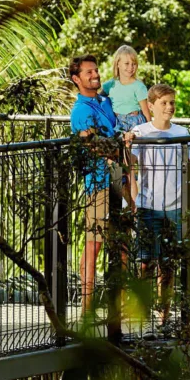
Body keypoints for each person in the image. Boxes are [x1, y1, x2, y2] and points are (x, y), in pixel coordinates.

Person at [68, 54, 133, 315]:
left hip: (121, 180)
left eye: (96, 71)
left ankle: (121, 305)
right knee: (94, 244)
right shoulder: (81, 111)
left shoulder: (105, 102)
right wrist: (120, 146)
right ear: (76, 79)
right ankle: (86, 309)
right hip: (99, 184)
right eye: (88, 73)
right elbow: (92, 144)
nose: (95, 76)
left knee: (123, 244)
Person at [129, 83, 189, 324]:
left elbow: (189, 165)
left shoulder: (182, 133)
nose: (169, 107)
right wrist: (127, 143)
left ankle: (163, 313)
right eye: (164, 103)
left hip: (174, 205)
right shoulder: (140, 132)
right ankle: (142, 311)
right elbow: (130, 164)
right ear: (151, 106)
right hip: (148, 204)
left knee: (168, 263)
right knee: (145, 261)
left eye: (172, 102)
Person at [101, 45, 151, 132]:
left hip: (136, 122)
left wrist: (150, 132)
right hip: (117, 122)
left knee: (135, 145)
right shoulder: (111, 84)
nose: (131, 67)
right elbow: (97, 98)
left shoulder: (139, 86)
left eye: (134, 64)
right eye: (127, 63)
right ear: (118, 64)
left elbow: (146, 112)